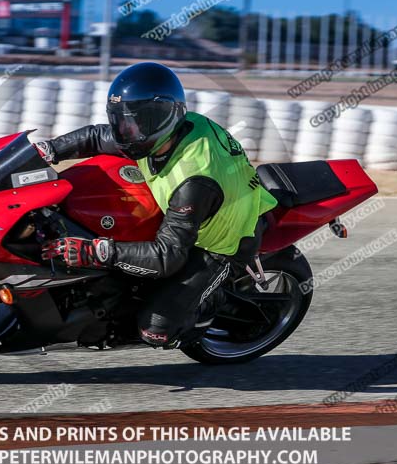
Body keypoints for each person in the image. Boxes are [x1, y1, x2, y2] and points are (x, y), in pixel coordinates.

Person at [38, 62, 278, 348]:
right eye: (121, 119)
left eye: (135, 121)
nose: (125, 130)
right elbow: (97, 136)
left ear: (164, 117)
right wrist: (49, 150)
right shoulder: (159, 133)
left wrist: (96, 251)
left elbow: (168, 256)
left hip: (224, 244)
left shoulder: (192, 181)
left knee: (156, 330)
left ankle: (217, 303)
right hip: (202, 209)